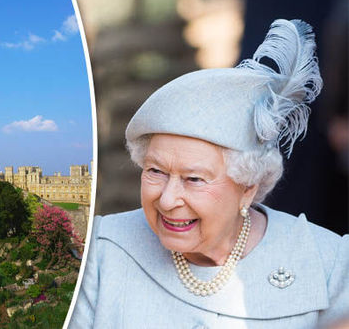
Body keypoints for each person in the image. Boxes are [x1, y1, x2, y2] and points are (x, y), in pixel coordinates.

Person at [68, 19, 349, 328]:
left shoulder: (327, 262)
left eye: (193, 179)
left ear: (248, 187)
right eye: (156, 171)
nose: (168, 198)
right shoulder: (100, 250)